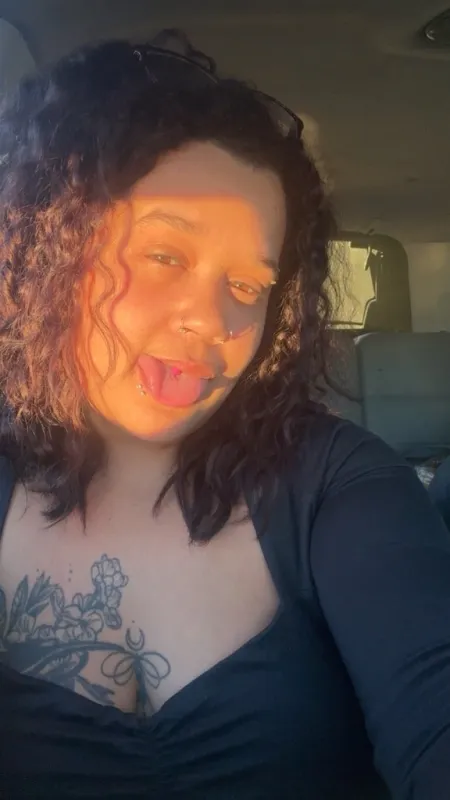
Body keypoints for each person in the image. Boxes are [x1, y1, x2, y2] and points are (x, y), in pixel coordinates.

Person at [0, 29, 449, 800]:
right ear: (50, 251)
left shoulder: (338, 483)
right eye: (165, 257)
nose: (213, 322)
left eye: (248, 287)